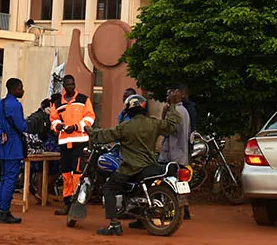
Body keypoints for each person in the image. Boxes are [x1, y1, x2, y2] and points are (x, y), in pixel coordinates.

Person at [86, 91, 182, 236]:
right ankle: (140, 220)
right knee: (137, 190)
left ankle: (114, 225)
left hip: (130, 168)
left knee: (109, 188)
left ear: (130, 109)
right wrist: (173, 106)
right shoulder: (153, 123)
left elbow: (104, 135)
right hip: (150, 166)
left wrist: (89, 131)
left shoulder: (126, 127)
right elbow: (171, 125)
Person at [49, 73, 96, 214]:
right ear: (64, 86)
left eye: (72, 84)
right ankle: (67, 203)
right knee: (65, 173)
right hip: (64, 142)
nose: (70, 87)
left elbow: (90, 118)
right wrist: (57, 126)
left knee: (78, 173)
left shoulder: (83, 100)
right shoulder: (57, 103)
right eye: (68, 84)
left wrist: (76, 127)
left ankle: (77, 204)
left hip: (79, 142)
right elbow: (53, 119)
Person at [0, 78, 28, 224]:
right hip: (14, 144)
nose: (22, 91)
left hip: (4, 145)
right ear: (13, 89)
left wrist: (0, 131)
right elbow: (22, 126)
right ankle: (4, 212)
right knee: (10, 179)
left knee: (4, 179)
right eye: (20, 88)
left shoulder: (0, 104)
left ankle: (0, 211)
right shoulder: (15, 106)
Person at [157, 85, 194, 223]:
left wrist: (163, 113)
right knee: (180, 183)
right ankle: (185, 211)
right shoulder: (184, 111)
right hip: (181, 153)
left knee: (166, 183)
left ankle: (169, 210)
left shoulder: (175, 112)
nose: (167, 97)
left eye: (169, 94)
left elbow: (164, 129)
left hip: (171, 154)